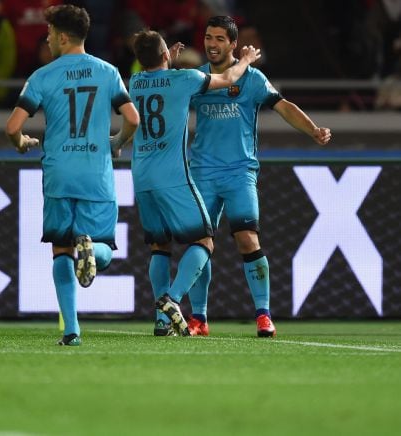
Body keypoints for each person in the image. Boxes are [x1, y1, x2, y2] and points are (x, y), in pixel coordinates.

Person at [186, 16, 332, 337]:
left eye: (220, 39)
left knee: (247, 239)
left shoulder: (251, 79)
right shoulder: (196, 79)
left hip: (239, 172)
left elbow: (283, 106)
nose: (211, 44)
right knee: (198, 243)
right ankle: (198, 319)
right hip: (202, 173)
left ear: (233, 44)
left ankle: (264, 316)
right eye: (208, 37)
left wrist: (313, 130)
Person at [5, 5, 139, 346]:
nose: (47, 39)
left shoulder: (42, 76)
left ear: (63, 37)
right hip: (96, 172)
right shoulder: (108, 72)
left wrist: (22, 143)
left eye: (49, 33)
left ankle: (71, 330)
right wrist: (117, 142)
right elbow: (134, 119)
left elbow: (12, 127)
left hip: (58, 173)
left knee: (61, 250)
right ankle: (93, 248)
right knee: (104, 246)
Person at [126, 30, 260, 336]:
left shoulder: (134, 82)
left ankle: (161, 321)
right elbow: (227, 80)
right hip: (173, 176)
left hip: (142, 175)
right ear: (165, 56)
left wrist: (162, 60)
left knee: (159, 247)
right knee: (204, 241)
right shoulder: (183, 79)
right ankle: (172, 299)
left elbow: (156, 79)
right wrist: (247, 60)